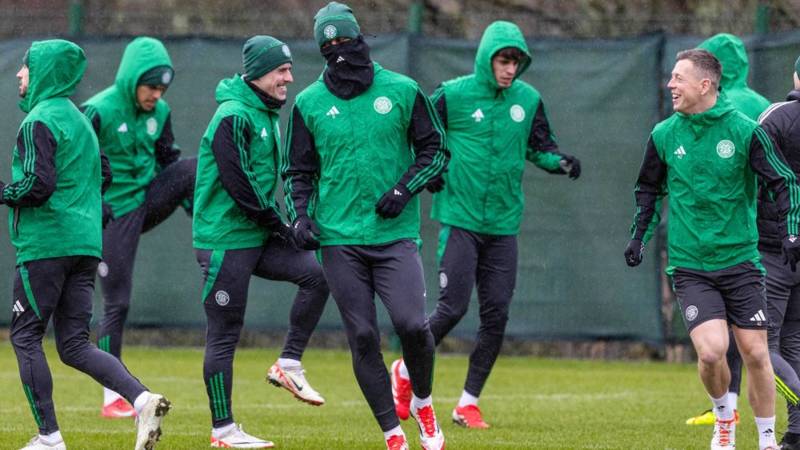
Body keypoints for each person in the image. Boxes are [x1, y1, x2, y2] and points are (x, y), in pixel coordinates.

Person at [390, 20, 582, 429]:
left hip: (504, 224)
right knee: (452, 308)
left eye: (516, 61)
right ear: (486, 58)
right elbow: (421, 138)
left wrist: (560, 162)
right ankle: (405, 371)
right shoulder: (452, 94)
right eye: (503, 59)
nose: (510, 68)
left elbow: (540, 147)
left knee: (497, 315)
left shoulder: (528, 100)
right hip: (459, 218)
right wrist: (432, 172)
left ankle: (467, 403)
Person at [282, 3, 448, 449]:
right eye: (328, 46)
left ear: (361, 40)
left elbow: (435, 151)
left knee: (413, 325)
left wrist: (403, 190)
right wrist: (299, 215)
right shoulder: (309, 104)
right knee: (361, 335)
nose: (339, 52)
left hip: (393, 236)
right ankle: (393, 436)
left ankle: (423, 403)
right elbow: (297, 171)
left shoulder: (403, 90)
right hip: (339, 241)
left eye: (345, 42)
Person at [625, 48, 800, 450]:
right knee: (711, 352)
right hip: (691, 265)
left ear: (705, 85)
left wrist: (792, 231)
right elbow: (648, 188)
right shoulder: (664, 134)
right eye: (670, 77)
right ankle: (724, 415)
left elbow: (783, 182)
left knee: (756, 353)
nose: (671, 85)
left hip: (741, 263)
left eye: (678, 78)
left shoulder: (744, 130)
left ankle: (768, 439)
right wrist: (639, 236)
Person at [1, 39, 170, 450]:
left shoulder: (38, 120)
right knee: (74, 343)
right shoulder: (80, 120)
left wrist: (5, 191)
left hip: (45, 245)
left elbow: (38, 186)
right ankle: (142, 399)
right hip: (86, 245)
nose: (20, 75)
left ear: (43, 73)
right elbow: (105, 175)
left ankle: (49, 438)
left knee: (25, 336)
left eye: (26, 68)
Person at [193, 35, 330, 448]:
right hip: (225, 240)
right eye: (281, 71)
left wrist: (286, 224)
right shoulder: (232, 115)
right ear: (257, 74)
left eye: (289, 69)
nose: (289, 77)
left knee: (317, 276)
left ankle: (288, 362)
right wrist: (282, 225)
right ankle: (223, 431)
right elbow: (240, 185)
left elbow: (264, 183)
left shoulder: (266, 114)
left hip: (256, 233)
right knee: (224, 333)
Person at [81, 36, 197, 417]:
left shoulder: (159, 112)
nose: (156, 95)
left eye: (162, 88)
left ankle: (210, 221)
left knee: (194, 167)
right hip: (111, 214)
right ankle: (112, 397)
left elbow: (167, 159)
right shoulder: (97, 110)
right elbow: (74, 164)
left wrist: (187, 202)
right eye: (150, 87)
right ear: (132, 80)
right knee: (118, 302)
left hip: (145, 202)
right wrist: (97, 204)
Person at [685, 33, 772, 426]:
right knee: (749, 332)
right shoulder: (763, 105)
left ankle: (729, 405)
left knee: (727, 328)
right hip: (760, 227)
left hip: (721, 234)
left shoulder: (716, 106)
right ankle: (736, 407)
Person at [754, 56, 800, 450]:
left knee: (762, 345)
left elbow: (748, 170)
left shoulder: (776, 116)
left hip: (774, 249)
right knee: (794, 342)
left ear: (795, 76)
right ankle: (798, 434)